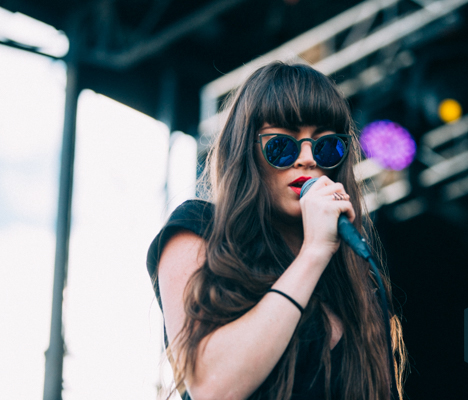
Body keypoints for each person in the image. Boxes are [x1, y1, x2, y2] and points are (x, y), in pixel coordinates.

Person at [147, 61, 406, 400]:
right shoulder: (198, 230)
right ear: (247, 151)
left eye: (327, 146)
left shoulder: (355, 286)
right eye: (282, 145)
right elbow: (211, 387)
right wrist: (313, 252)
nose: (308, 158)